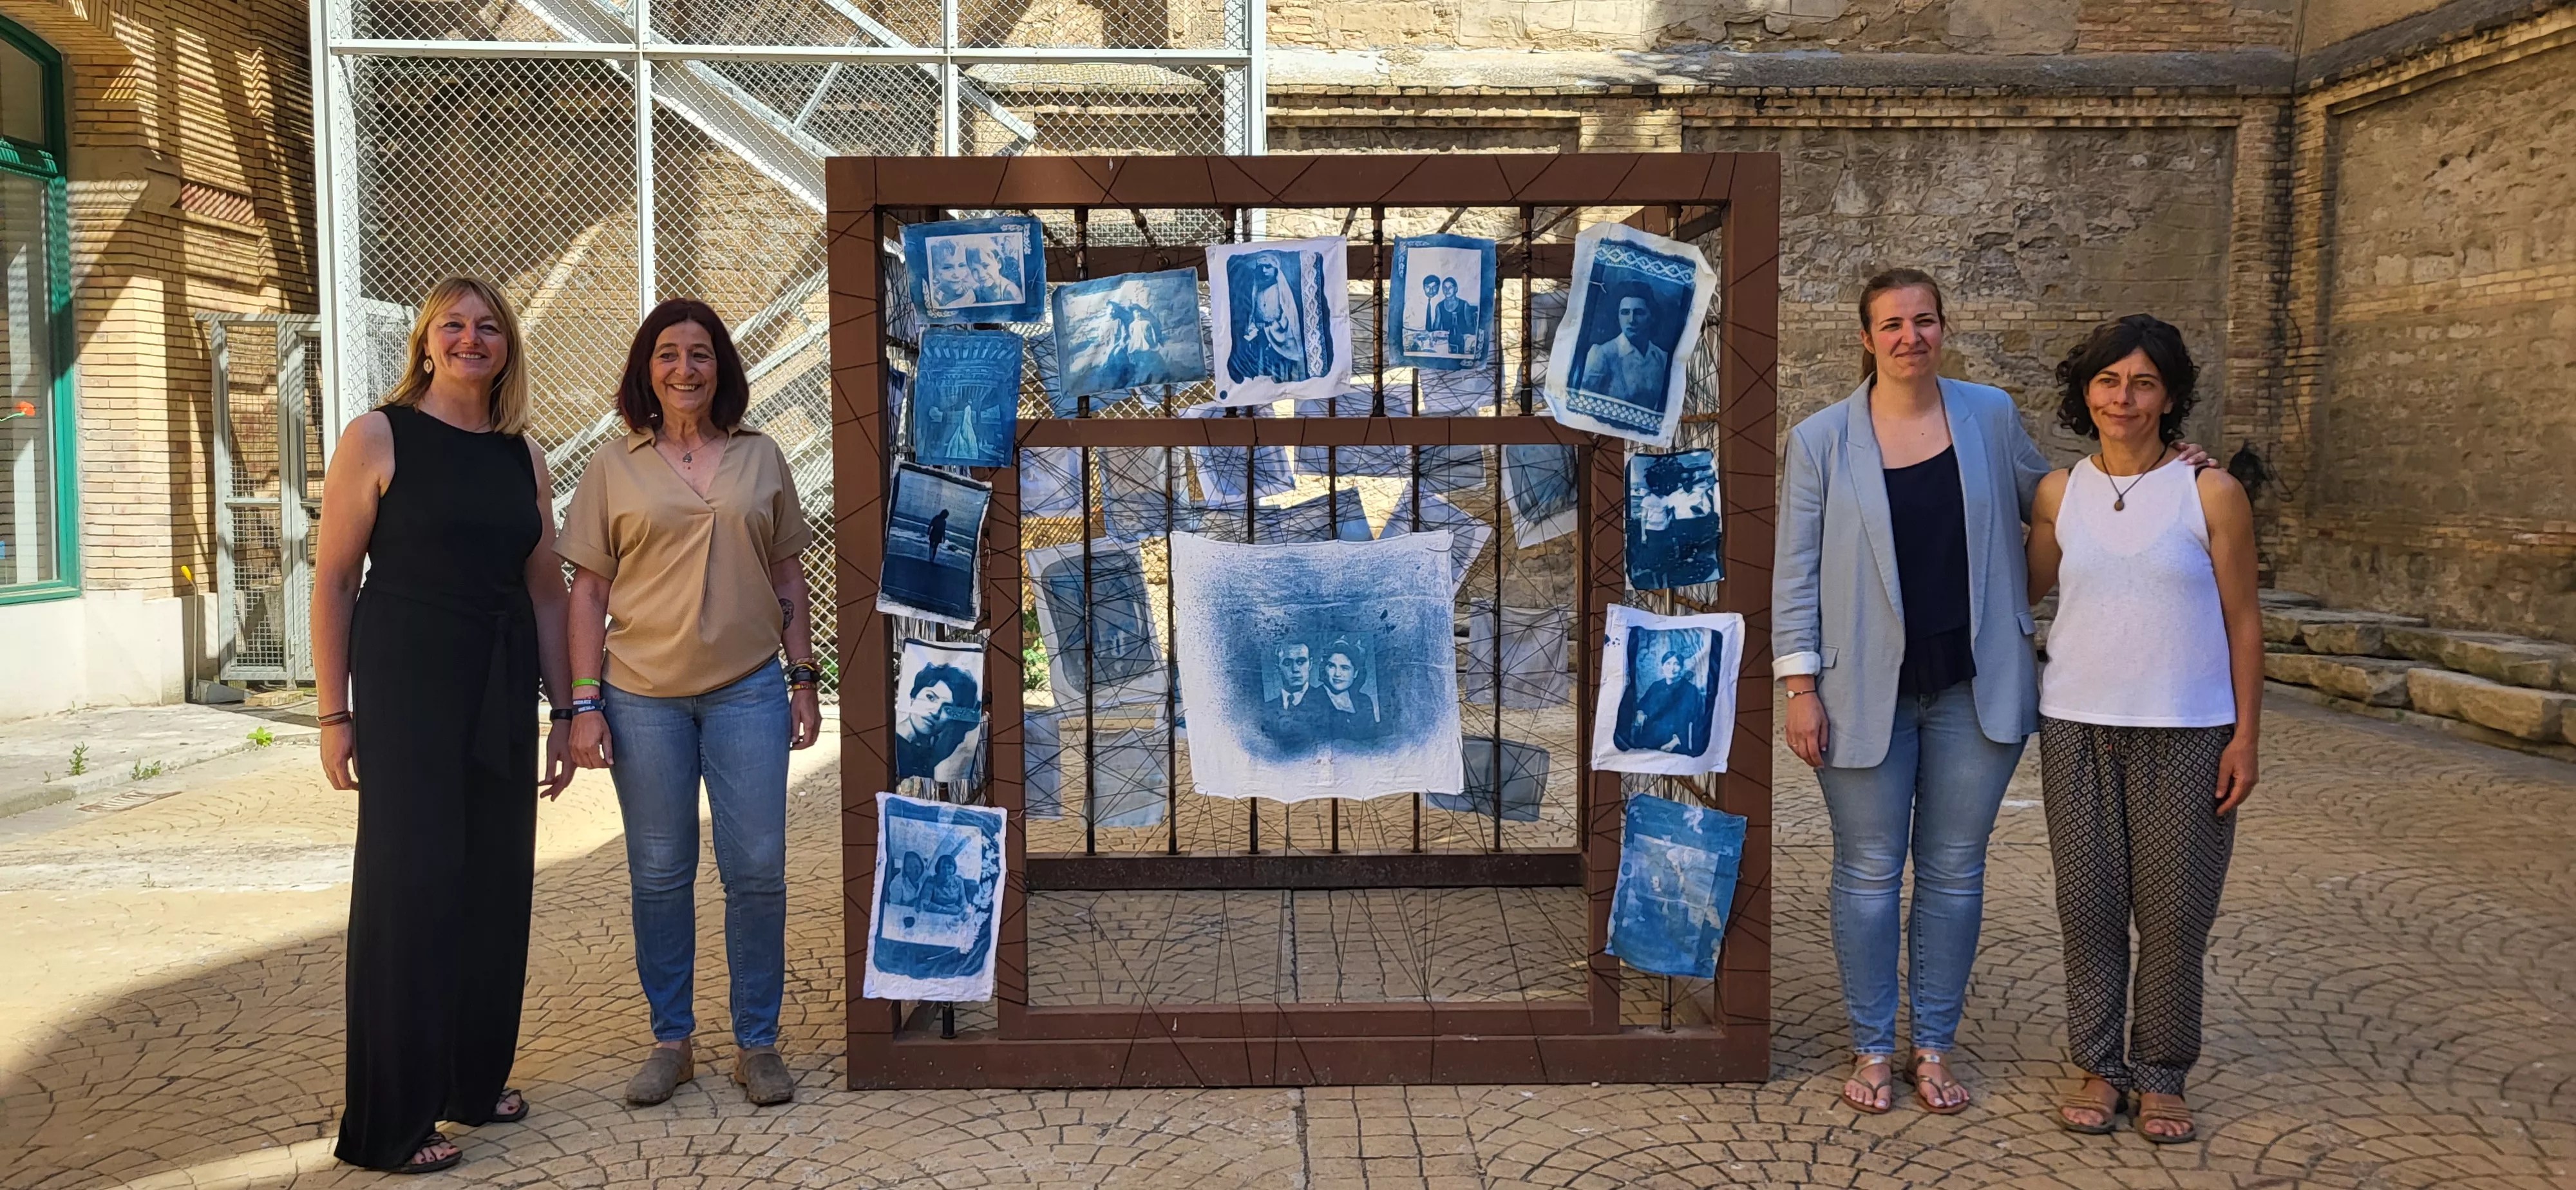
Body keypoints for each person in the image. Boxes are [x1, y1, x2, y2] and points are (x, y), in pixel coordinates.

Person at [312, 276, 576, 1175]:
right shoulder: (377, 436)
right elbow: (335, 580)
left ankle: (471, 1080)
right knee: (411, 896)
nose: (471, 340)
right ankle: (391, 1119)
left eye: (488, 327)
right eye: (453, 327)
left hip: (500, 689)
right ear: (426, 342)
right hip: (409, 689)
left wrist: (568, 708)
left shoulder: (522, 456)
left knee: (495, 887)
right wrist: (332, 713)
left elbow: (548, 593)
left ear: (507, 346)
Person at [559, 298, 823, 1111]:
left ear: (722, 368)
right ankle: (671, 1039)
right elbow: (588, 591)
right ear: (647, 369)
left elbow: (786, 577)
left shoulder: (761, 456)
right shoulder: (614, 466)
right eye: (668, 354)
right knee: (661, 873)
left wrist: (803, 677)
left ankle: (758, 1042)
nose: (684, 369)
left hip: (747, 688)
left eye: (701, 354)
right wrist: (581, 704)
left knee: (756, 871)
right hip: (641, 697)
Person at [2027, 316, 2260, 1144]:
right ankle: (2099, 1065)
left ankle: (2161, 1074)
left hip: (2188, 731)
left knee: (2173, 917)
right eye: (2108, 382)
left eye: (2143, 383)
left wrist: (2245, 739)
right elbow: (2018, 589)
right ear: (2084, 392)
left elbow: (2242, 622)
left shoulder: (2210, 492)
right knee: (2087, 911)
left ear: (2169, 396)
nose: (2124, 398)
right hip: (2076, 727)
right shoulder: (2060, 493)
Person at [1618, 638, 1709, 755]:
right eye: (1668, 664)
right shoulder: (1656, 686)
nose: (1672, 668)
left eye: (1676, 664)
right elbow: (1643, 705)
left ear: (1681, 668)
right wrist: (1641, 713)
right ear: (1662, 666)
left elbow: (1693, 720)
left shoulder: (1690, 691)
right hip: (1650, 737)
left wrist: (1675, 742)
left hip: (1675, 741)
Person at [1577, 288, 1669, 403]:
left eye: (1639, 313)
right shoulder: (1602, 354)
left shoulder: (1662, 357)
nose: (1631, 320)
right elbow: (1584, 402)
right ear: (1618, 317)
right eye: (1625, 313)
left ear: (1652, 317)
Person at [896, 662, 980, 780]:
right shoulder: (893, 744)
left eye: (947, 709)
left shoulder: (930, 752)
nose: (936, 712)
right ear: (914, 695)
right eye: (930, 697)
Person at [1236, 256, 1307, 382]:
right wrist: (1255, 328)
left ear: (1276, 269)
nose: (1264, 270)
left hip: (1278, 336)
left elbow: (1288, 316)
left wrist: (1272, 328)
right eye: (1261, 267)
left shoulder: (1280, 289)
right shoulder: (1256, 291)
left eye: (1268, 267)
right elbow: (1252, 315)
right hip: (1260, 338)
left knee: (1280, 370)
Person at [1312, 641, 1382, 742]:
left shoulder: (1364, 701)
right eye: (1332, 666)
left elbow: (1372, 741)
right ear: (1325, 669)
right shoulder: (1312, 699)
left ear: (1355, 673)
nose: (1337, 674)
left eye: (1345, 668)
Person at [1435, 275, 1473, 355]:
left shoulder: (1464, 305)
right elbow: (1436, 328)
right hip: (1447, 342)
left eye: (1450, 288)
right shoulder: (1440, 306)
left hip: (1463, 341)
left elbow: (1471, 328)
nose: (1447, 290)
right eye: (1445, 288)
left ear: (1456, 289)